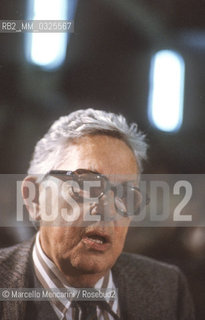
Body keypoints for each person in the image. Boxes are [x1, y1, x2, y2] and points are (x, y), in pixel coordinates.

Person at [0, 108, 194, 320]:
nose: (108, 210)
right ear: (35, 198)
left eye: (124, 195)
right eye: (88, 186)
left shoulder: (168, 289)